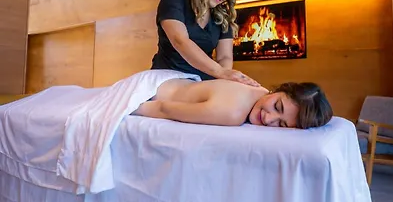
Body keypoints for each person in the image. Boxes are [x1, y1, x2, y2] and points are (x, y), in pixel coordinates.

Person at [151, 0, 259, 86]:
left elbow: (224, 57)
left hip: (201, 81)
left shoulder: (222, 17)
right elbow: (180, 41)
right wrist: (221, 72)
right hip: (167, 77)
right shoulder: (174, 0)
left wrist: (224, 79)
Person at [133, 78, 333, 129]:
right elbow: (164, 108)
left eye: (281, 124)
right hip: (148, 90)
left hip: (172, 80)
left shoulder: (260, 90)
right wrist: (125, 108)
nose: (268, 119)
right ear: (281, 89)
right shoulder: (232, 112)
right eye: (277, 107)